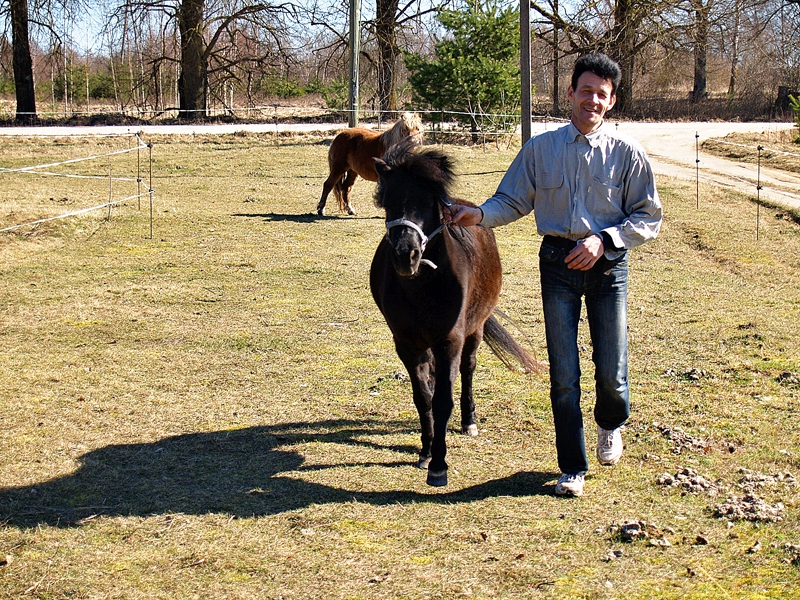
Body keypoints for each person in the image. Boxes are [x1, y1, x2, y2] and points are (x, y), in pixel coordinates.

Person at [448, 53, 662, 497]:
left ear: (612, 100)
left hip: (607, 265)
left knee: (611, 369)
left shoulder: (628, 153)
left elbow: (648, 216)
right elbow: (512, 200)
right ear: (570, 93)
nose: (592, 100)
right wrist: (479, 214)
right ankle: (572, 467)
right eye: (586, 91)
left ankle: (610, 422)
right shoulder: (540, 149)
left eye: (601, 94)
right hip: (558, 264)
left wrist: (604, 240)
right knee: (564, 374)